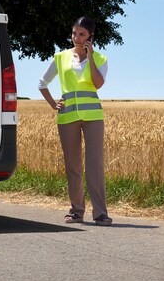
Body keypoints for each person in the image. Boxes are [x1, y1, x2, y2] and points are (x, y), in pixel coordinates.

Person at [38, 17, 112, 226]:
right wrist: (54, 104)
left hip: (93, 118)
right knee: (73, 166)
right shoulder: (60, 57)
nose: (76, 38)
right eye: (74, 34)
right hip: (68, 117)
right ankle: (76, 211)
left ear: (90, 37)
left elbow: (97, 84)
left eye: (82, 34)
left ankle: (100, 213)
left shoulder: (100, 58)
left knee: (95, 165)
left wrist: (90, 58)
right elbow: (42, 83)